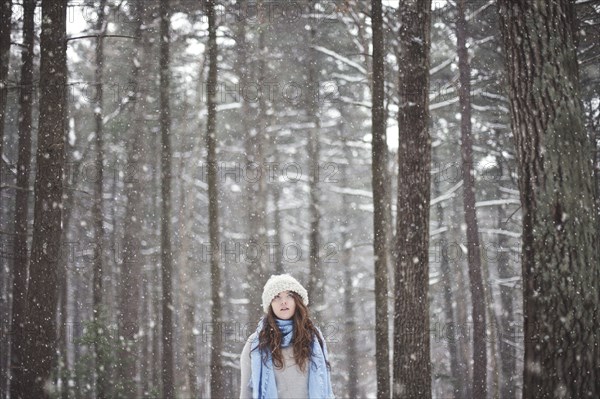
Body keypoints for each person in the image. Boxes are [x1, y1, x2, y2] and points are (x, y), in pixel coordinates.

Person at [239, 274, 335, 399]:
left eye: (289, 295)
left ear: (297, 301)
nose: (283, 301)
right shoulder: (256, 343)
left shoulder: (314, 339)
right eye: (277, 297)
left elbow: (325, 386)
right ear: (270, 305)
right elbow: (246, 394)